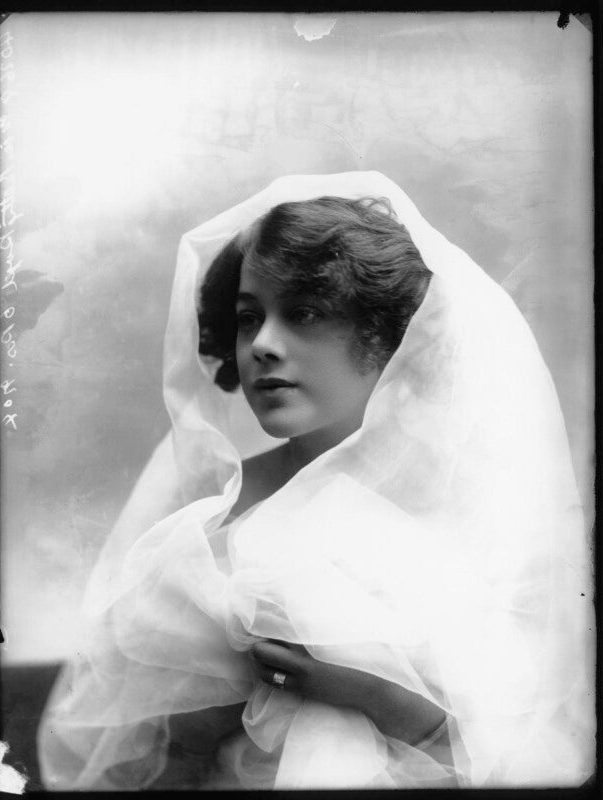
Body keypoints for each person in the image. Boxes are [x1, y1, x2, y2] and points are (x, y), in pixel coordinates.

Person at [37, 172, 594, 790]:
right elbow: (139, 746)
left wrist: (372, 695)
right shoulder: (207, 505)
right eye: (248, 318)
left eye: (303, 313)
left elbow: (530, 747)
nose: (263, 345)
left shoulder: (476, 507)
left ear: (386, 335)